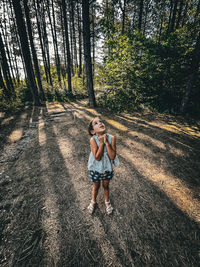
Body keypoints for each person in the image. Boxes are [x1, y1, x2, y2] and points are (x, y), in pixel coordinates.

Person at [87, 117, 119, 215]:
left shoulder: (111, 138)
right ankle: (93, 201)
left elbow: (112, 156)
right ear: (93, 131)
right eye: (96, 123)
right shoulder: (93, 140)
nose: (100, 123)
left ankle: (107, 201)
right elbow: (97, 157)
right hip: (95, 169)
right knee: (96, 185)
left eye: (101, 121)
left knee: (105, 185)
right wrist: (101, 143)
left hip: (107, 168)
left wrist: (106, 142)